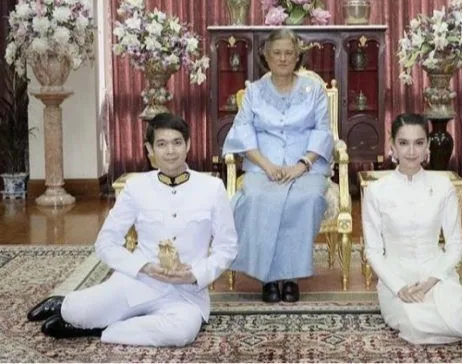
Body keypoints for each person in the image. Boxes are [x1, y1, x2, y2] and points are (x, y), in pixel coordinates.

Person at [26, 113, 238, 347]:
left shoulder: (211, 188)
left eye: (177, 142)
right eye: (162, 144)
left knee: (180, 334)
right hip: (139, 281)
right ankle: (65, 305)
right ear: (150, 149)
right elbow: (105, 243)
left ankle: (102, 328)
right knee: (74, 311)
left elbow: (227, 248)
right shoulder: (136, 187)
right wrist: (144, 267)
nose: (170, 151)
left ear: (187, 145)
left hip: (186, 294)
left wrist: (195, 274)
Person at [362, 113, 462, 345]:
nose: (411, 151)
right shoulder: (376, 191)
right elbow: (373, 251)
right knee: (416, 327)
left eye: (419, 143)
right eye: (403, 143)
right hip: (397, 281)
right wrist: (399, 287)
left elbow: (455, 243)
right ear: (392, 145)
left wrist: (433, 279)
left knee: (456, 319)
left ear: (427, 146)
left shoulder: (443, 187)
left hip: (437, 274)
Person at [222, 28, 333, 303]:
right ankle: (269, 278)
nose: (283, 58)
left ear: (297, 57)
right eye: (277, 53)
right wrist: (267, 165)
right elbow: (243, 131)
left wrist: (302, 165)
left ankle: (291, 276)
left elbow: (323, 131)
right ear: (266, 57)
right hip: (262, 165)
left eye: (288, 53)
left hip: (306, 166)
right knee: (257, 197)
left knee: (307, 198)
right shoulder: (254, 92)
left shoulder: (314, 90)